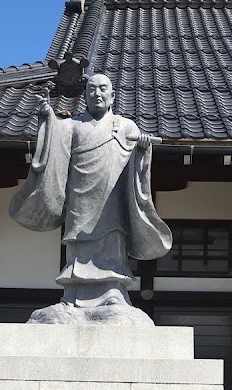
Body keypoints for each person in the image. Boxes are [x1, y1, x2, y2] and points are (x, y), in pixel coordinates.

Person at [10, 73, 172, 323]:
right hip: (80, 200)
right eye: (92, 90)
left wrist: (142, 147)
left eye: (102, 89)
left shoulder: (126, 126)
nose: (97, 94)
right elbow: (57, 136)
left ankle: (112, 293)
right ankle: (73, 294)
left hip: (113, 201)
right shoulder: (74, 125)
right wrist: (47, 116)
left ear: (112, 96)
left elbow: (137, 164)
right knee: (79, 243)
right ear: (85, 96)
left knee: (112, 241)